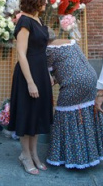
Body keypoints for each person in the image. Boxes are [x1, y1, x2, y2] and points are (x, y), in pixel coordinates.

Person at [7, 0, 53, 175]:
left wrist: (47, 74)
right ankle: (25, 155)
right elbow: (21, 54)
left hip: (41, 71)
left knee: (36, 115)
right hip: (28, 74)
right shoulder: (24, 21)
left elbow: (42, 50)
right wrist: (30, 82)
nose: (46, 2)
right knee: (27, 116)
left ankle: (34, 154)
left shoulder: (38, 19)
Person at [46, 30, 103, 169]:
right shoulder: (70, 42)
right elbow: (68, 67)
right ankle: (92, 154)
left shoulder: (47, 51)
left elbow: (47, 77)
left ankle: (73, 158)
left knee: (64, 115)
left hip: (74, 84)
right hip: (90, 79)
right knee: (86, 115)